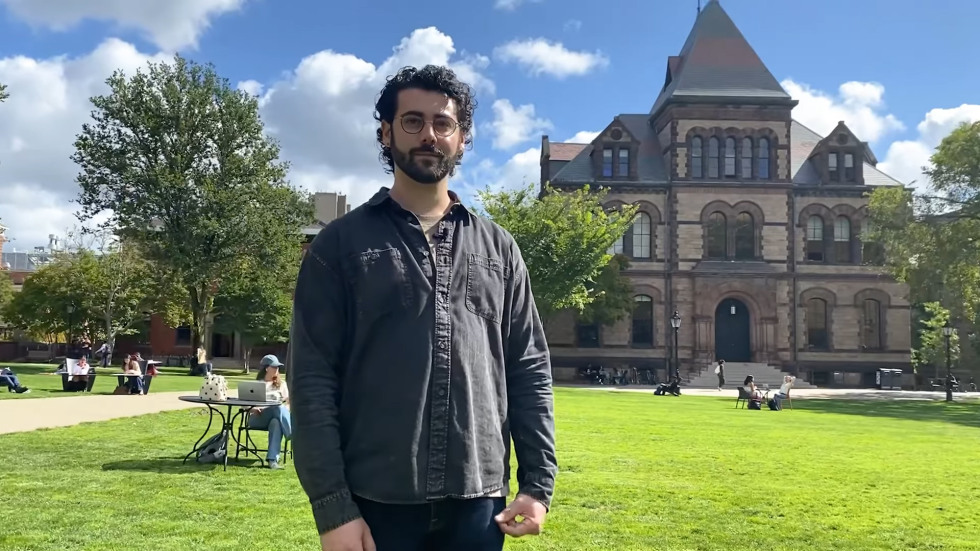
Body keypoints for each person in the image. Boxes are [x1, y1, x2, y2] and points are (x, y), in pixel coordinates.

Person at [289, 64, 557, 551]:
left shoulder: (500, 249)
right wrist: (333, 509)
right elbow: (311, 379)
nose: (428, 135)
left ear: (462, 138)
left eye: (443, 123)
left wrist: (538, 485)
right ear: (386, 133)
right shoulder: (339, 247)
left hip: (479, 503)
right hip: (376, 502)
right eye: (412, 121)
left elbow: (529, 368)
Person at [247, 354, 291, 470]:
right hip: (257, 417)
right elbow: (244, 406)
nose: (277, 369)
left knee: (276, 422)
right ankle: (292, 433)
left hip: (277, 416)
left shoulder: (282, 385)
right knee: (277, 407)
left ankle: (272, 461)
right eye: (274, 367)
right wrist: (253, 409)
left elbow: (288, 402)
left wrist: (285, 408)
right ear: (267, 368)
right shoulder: (256, 385)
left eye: (278, 367)